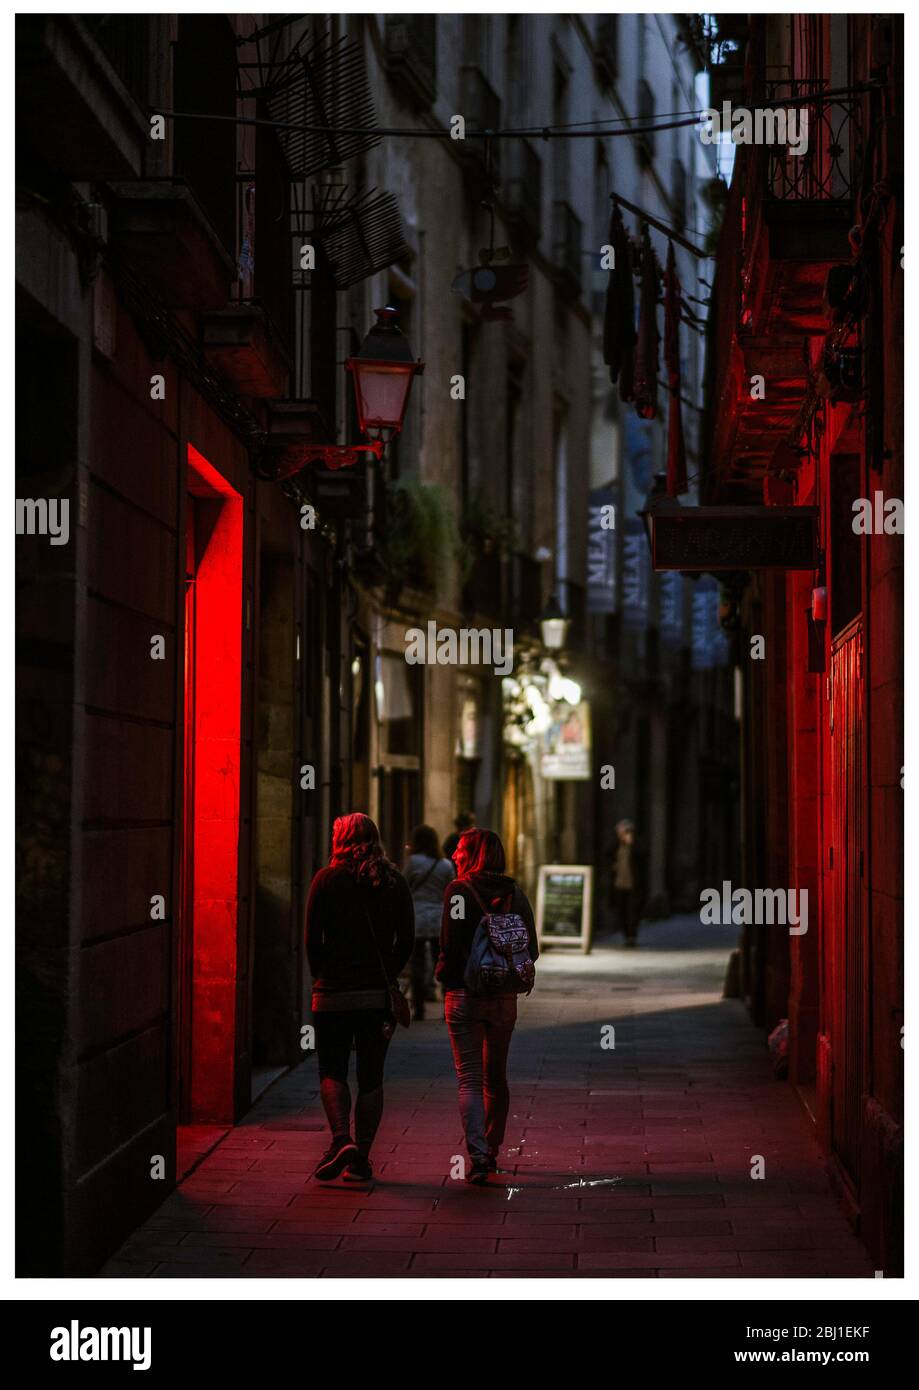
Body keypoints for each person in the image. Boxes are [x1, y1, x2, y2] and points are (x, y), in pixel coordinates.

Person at [306, 813, 414, 1182]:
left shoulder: (325, 879)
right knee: (371, 1076)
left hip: (333, 995)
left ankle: (340, 1138)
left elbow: (311, 939)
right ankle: (362, 1157)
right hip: (375, 996)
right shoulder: (394, 882)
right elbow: (407, 940)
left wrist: (322, 975)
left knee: (332, 1069)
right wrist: (387, 970)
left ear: (339, 840)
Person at [436, 828, 538, 1185]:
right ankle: (493, 1149)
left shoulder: (458, 891)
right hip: (503, 998)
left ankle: (477, 1156)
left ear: (474, 854)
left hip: (465, 996)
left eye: (462, 850)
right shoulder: (514, 894)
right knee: (496, 1078)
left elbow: (450, 947)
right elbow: (533, 949)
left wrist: (446, 981)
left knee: (469, 1080)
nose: (455, 855)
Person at [403, 826, 455, 1021]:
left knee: (417, 965)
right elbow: (451, 890)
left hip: (417, 918)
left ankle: (419, 1008)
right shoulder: (445, 865)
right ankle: (448, 1007)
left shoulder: (414, 862)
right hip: (438, 919)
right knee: (442, 963)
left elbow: (404, 884)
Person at [611, 818, 641, 946]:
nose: (622, 835)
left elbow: (642, 857)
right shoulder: (616, 846)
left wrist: (632, 844)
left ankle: (632, 936)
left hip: (632, 884)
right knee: (621, 910)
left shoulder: (635, 846)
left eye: (624, 832)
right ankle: (626, 935)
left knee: (632, 911)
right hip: (619, 884)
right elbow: (608, 854)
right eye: (620, 832)